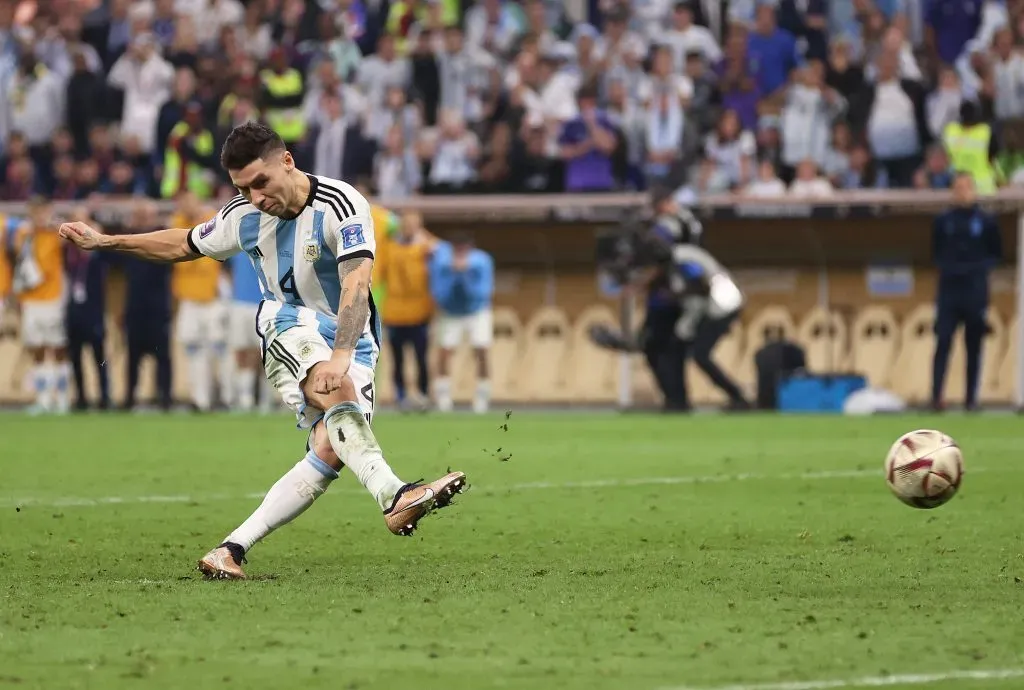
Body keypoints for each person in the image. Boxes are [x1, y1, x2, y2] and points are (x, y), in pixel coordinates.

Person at [59, 121, 467, 580]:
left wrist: (342, 352)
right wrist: (108, 241)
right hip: (287, 323)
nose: (254, 197)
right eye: (242, 188)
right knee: (340, 395)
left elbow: (357, 282)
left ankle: (230, 549)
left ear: (287, 162)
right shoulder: (243, 216)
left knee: (332, 447)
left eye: (260, 183)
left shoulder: (342, 203)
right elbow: (184, 243)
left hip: (353, 338)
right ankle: (395, 495)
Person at [931, 172, 1002, 411]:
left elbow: (995, 252)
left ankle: (971, 399)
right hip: (949, 290)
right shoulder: (943, 221)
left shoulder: (985, 220)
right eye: (958, 188)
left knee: (974, 345)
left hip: (974, 290)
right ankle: (936, 397)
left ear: (973, 190)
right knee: (943, 342)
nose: (962, 192)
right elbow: (935, 250)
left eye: (966, 187)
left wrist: (978, 271)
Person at [670, 244, 750, 411]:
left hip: (721, 307)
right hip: (719, 305)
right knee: (694, 353)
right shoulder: (684, 255)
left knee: (699, 355)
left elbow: (700, 285)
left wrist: (685, 327)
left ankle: (737, 397)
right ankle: (736, 396)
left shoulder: (681, 258)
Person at [170, 191, 227, 412]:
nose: (188, 206)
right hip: (189, 301)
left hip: (212, 299)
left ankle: (224, 398)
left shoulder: (211, 220)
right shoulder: (177, 223)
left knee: (219, 353)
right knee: (194, 353)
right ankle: (200, 400)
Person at [14, 197, 70, 414]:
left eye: (43, 211)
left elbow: (70, 235)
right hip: (30, 300)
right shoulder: (24, 234)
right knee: (37, 349)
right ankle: (43, 399)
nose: (39, 216)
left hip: (54, 298)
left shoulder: (56, 232)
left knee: (58, 349)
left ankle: (62, 398)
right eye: (35, 212)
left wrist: (53, 223)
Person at [430, 233, 495, 414]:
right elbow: (438, 292)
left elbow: (484, 291)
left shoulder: (482, 261)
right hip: (451, 312)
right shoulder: (442, 263)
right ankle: (443, 398)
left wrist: (465, 275)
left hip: (477, 310)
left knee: (481, 350)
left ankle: (482, 396)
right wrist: (454, 275)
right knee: (444, 352)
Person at [381, 211, 438, 411]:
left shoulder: (427, 248)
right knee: (397, 358)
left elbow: (442, 255)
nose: (409, 228)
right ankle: (401, 396)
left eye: (414, 225)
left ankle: (422, 395)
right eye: (406, 224)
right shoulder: (389, 247)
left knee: (421, 357)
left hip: (420, 312)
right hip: (394, 312)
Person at [121, 200, 174, 412]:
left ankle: (165, 398)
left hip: (158, 309)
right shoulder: (129, 242)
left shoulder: (163, 241)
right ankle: (129, 398)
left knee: (162, 357)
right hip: (135, 309)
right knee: (132, 358)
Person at [64, 206, 110, 411]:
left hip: (94, 309)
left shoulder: (98, 251)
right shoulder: (66, 250)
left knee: (99, 357)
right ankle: (81, 397)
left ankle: (104, 398)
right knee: (75, 357)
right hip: (73, 309)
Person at [226, 250, 270, 412]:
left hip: (263, 302)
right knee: (241, 351)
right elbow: (227, 270)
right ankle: (245, 398)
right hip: (239, 302)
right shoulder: (237, 242)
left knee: (264, 354)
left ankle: (265, 399)